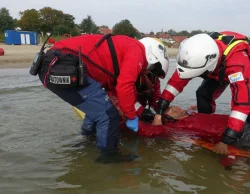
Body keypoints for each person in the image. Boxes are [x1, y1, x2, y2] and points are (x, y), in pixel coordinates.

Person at [31, 34, 169, 157]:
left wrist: (160, 111)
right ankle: (109, 157)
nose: (148, 71)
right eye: (152, 68)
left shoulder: (123, 53)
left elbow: (113, 90)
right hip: (62, 66)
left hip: (49, 68)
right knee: (108, 115)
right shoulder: (137, 51)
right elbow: (124, 86)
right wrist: (131, 116)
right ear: (153, 56)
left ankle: (86, 140)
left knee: (97, 109)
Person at [152, 31, 250, 154]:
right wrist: (160, 111)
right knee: (203, 94)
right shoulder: (197, 52)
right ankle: (206, 128)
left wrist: (227, 139)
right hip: (220, 71)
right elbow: (175, 83)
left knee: (249, 103)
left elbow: (241, 102)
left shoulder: (236, 61)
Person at [138, 106, 250, 156]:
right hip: (246, 136)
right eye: (172, 111)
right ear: (169, 120)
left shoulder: (190, 114)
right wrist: (157, 119)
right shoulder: (175, 127)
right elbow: (151, 131)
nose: (175, 108)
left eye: (173, 106)